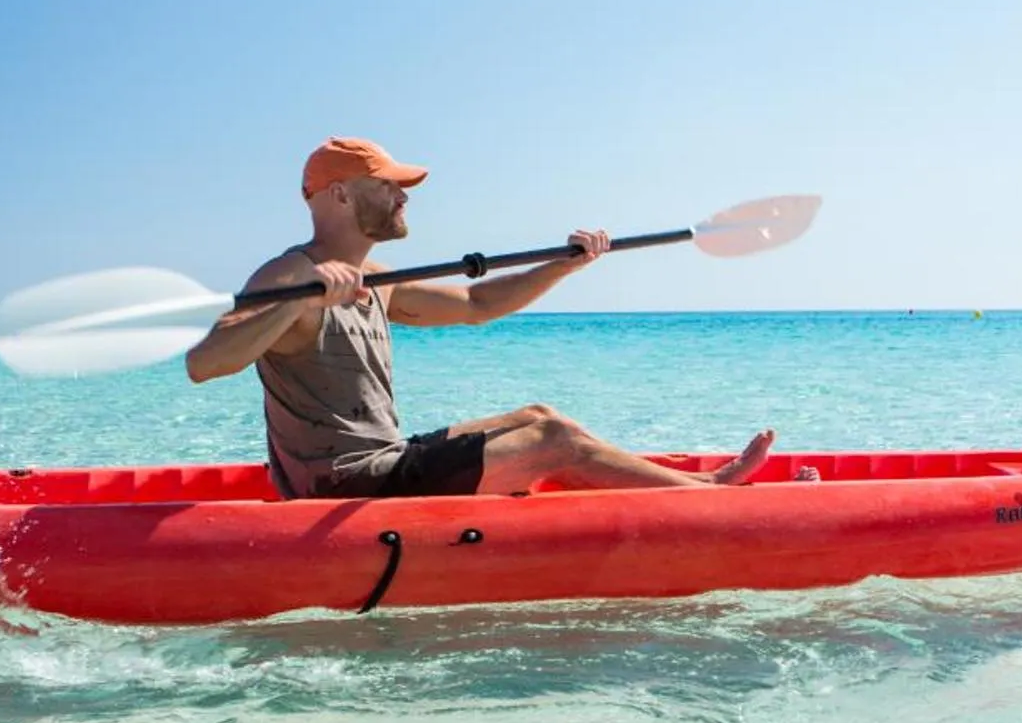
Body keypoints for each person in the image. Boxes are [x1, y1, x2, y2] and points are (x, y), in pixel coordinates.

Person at [184, 137, 776, 499]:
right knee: (552, 440)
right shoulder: (287, 275)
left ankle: (694, 486)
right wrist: (299, 302)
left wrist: (564, 265)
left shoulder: (379, 281)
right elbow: (205, 363)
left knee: (539, 417)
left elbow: (477, 305)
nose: (403, 196)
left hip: (385, 461)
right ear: (339, 195)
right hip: (345, 481)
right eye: (388, 186)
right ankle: (712, 493)